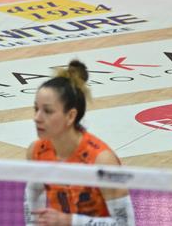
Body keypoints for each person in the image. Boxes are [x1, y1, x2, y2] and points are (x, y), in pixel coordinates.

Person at [25, 60, 135, 226]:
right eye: (36, 109)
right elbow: (32, 198)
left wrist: (69, 221)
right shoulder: (36, 152)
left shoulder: (102, 161)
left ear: (70, 116)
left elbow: (125, 224)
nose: (37, 118)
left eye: (47, 111)